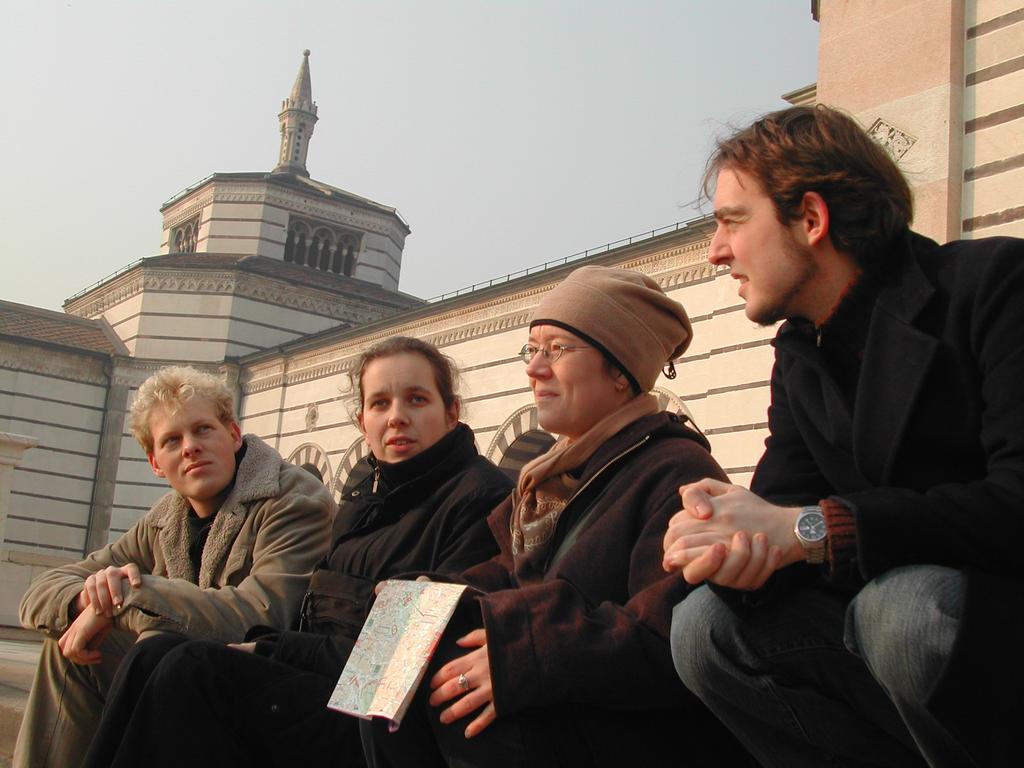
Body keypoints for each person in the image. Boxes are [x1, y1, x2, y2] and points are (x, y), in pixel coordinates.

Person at [664, 104, 1024, 767]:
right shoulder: (800, 355)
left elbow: (1014, 504)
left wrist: (816, 531)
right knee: (702, 629)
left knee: (904, 613)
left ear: (810, 219)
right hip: (898, 653)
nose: (715, 251)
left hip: (988, 642)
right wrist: (728, 549)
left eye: (732, 221)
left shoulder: (995, 285)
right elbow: (781, 515)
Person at [363, 266, 748, 767]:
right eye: (532, 349)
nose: (535, 368)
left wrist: (523, 656)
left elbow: (666, 638)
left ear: (620, 370)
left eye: (558, 350)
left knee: (446, 677)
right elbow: (510, 574)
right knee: (399, 629)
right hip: (561, 708)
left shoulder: (675, 471)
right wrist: (427, 592)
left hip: (620, 733)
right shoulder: (550, 481)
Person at [80, 337, 513, 768]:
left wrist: (270, 650)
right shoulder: (364, 506)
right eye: (380, 404)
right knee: (151, 654)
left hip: (385, 722)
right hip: (327, 685)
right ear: (362, 420)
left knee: (192, 670)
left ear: (451, 411)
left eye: (417, 399)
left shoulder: (478, 498)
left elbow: (391, 663)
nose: (397, 417)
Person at [14, 365, 334, 768]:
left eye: (203, 430)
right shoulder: (165, 519)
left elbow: (263, 614)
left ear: (233, 435)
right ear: (155, 463)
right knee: (67, 650)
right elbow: (45, 589)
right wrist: (86, 600)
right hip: (186, 673)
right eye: (171, 440)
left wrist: (126, 597)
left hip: (268, 692)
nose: (190, 447)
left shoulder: (294, 499)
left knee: (154, 646)